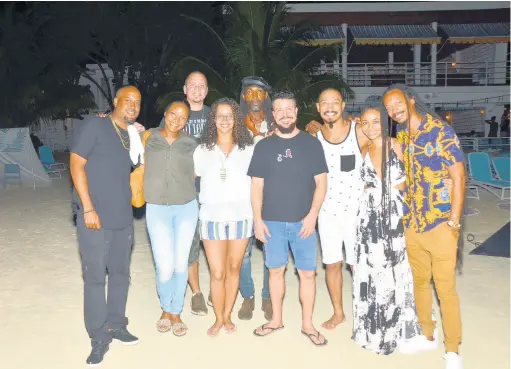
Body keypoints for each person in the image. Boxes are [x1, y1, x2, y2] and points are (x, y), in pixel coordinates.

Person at [383, 84, 466, 369]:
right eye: (389, 108)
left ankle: (453, 349)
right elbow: (410, 174)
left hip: (440, 223)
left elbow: (459, 176)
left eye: (397, 103)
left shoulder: (440, 131)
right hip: (413, 223)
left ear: (411, 100)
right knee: (419, 282)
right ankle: (427, 335)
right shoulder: (404, 136)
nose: (393, 110)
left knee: (446, 290)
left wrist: (454, 221)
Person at [249, 91, 329, 346]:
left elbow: (322, 183)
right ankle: (276, 320)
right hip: (272, 223)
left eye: (289, 109)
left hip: (303, 223)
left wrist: (312, 216)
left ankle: (307, 324)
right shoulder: (263, 146)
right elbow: (256, 187)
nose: (285, 114)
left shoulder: (311, 144)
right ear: (273, 115)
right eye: (279, 110)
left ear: (296, 111)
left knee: (307, 274)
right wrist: (257, 220)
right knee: (275, 272)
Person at [70, 86, 141, 367]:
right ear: (115, 102)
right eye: (127, 101)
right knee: (96, 278)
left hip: (123, 219)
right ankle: (99, 336)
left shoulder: (131, 135)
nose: (132, 106)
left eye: (137, 102)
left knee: (121, 275)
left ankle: (116, 324)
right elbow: (76, 164)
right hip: (95, 219)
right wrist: (88, 207)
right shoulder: (95, 125)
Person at [352, 102, 421, 355]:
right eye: (364, 122)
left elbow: (416, 179)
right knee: (371, 271)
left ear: (385, 122)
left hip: (395, 216)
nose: (370, 127)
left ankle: (394, 330)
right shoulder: (362, 149)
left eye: (375, 121)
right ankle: (372, 328)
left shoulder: (398, 145)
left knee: (396, 271)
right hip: (369, 218)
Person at [306, 88, 369, 330]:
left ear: (343, 106)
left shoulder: (359, 131)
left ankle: (364, 312)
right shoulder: (313, 136)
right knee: (332, 264)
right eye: (325, 102)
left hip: (356, 212)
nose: (330, 106)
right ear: (318, 107)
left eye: (335, 102)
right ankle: (339, 312)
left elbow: (384, 149)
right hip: (327, 212)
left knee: (358, 264)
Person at [194, 97, 255, 336]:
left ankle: (227, 315)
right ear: (213, 120)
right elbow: (189, 177)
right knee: (217, 272)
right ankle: (218, 318)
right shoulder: (202, 150)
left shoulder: (248, 149)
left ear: (236, 119)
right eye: (220, 116)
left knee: (234, 268)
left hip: (242, 217)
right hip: (211, 217)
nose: (225, 120)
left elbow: (259, 182)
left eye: (229, 116)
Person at [145, 100, 199, 336]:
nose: (177, 120)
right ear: (165, 114)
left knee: (180, 264)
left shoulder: (191, 144)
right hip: (157, 208)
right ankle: (165, 306)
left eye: (183, 117)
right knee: (164, 266)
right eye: (173, 114)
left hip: (186, 207)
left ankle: (174, 312)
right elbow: (122, 135)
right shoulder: (148, 137)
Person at [159, 71, 211, 316]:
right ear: (185, 88)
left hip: (212, 192)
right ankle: (197, 293)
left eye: (202, 86)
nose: (197, 90)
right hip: (183, 192)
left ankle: (217, 286)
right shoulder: (176, 114)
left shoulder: (215, 115)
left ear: (207, 90)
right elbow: (156, 141)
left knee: (213, 241)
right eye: (193, 85)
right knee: (188, 245)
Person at [237, 76, 273, 321]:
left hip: (271, 197)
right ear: (243, 98)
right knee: (244, 253)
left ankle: (268, 296)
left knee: (271, 250)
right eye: (249, 93)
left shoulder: (279, 122)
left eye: (259, 93)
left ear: (266, 97)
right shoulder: (235, 125)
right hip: (240, 195)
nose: (255, 98)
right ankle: (247, 296)